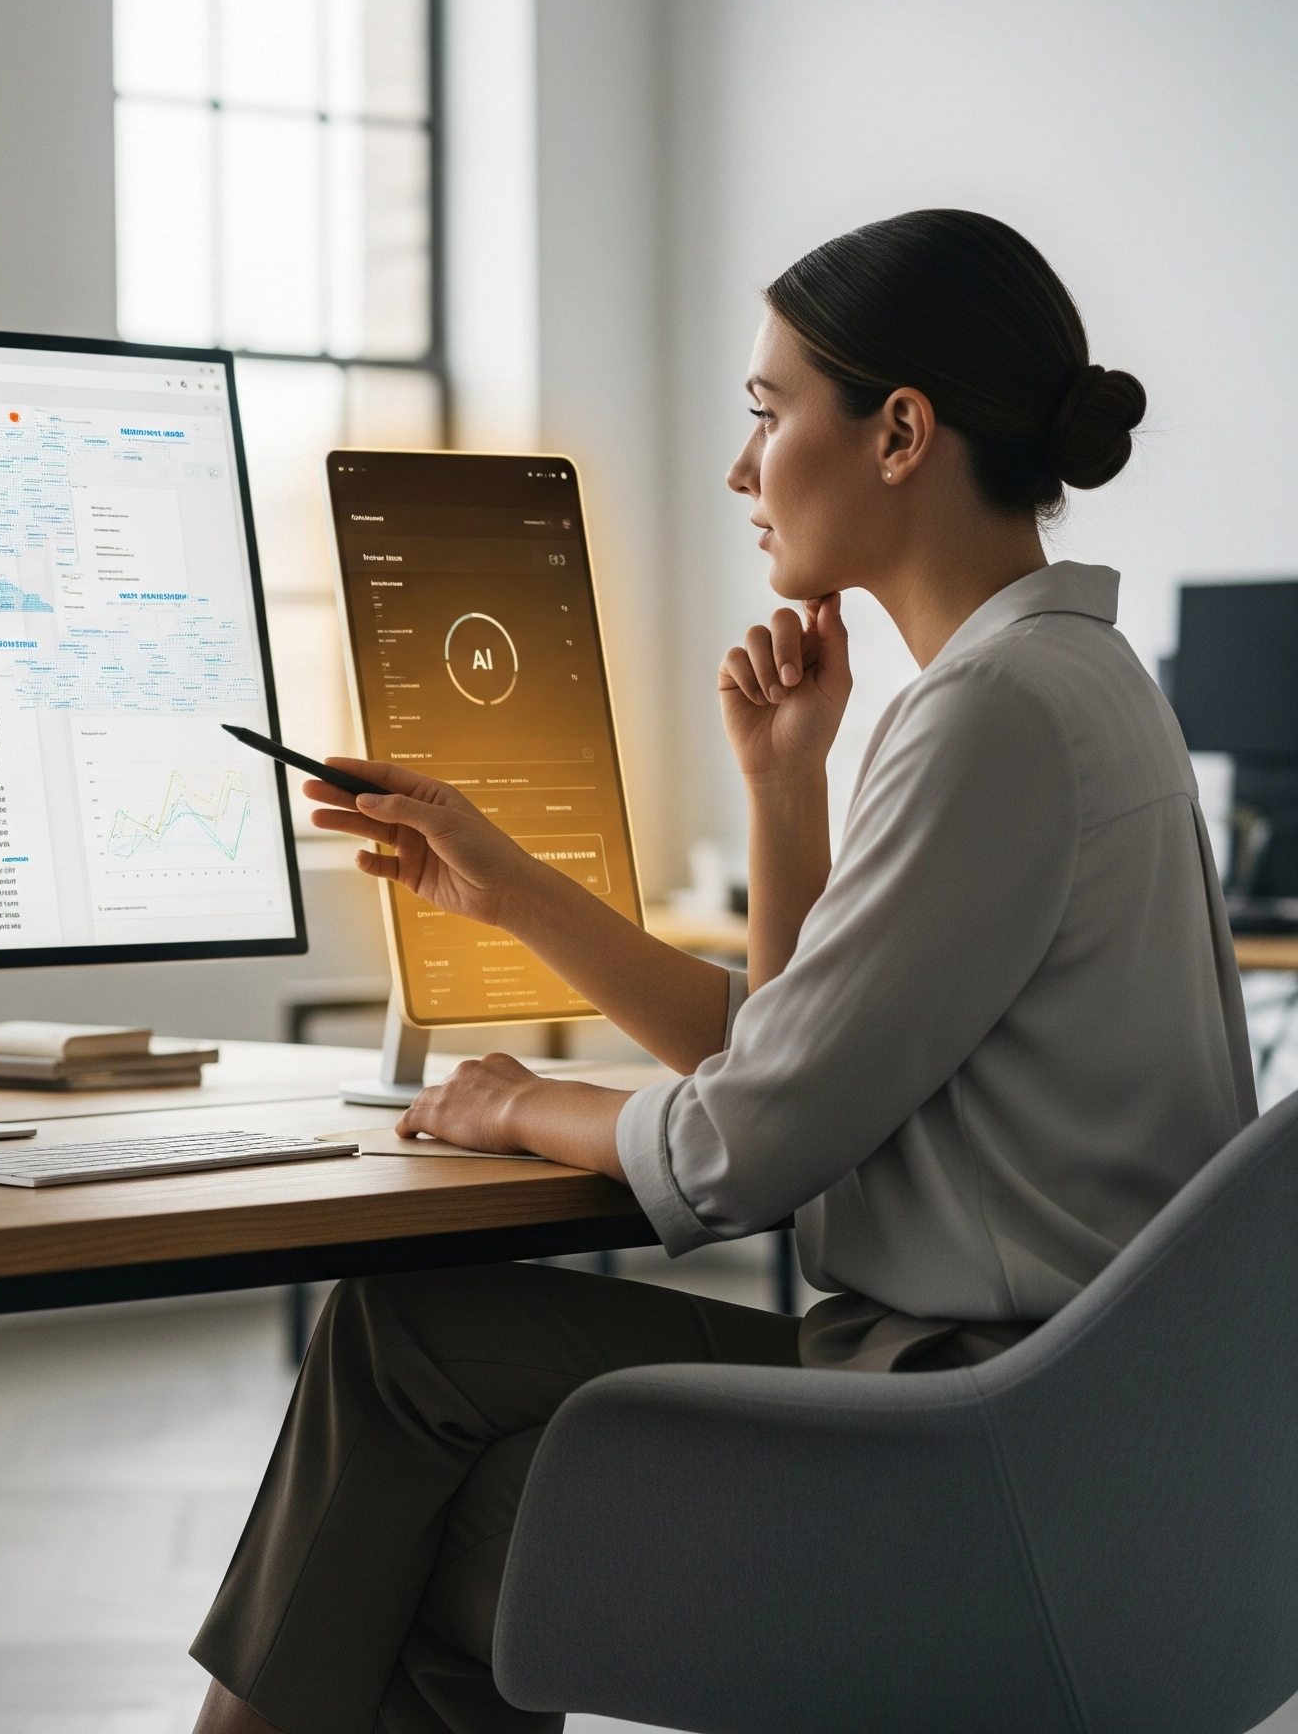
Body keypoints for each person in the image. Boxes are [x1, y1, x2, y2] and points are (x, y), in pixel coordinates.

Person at [189, 209, 1258, 1734]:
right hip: (1068, 1427)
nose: (742, 469)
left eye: (766, 415)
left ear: (899, 432)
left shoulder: (992, 717)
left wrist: (518, 1103)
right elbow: (795, 1054)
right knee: (423, 1392)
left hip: (991, 1450)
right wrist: (758, 798)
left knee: (429, 1456)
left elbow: (740, 1144)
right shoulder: (1068, 682)